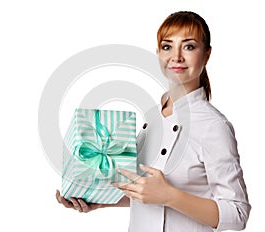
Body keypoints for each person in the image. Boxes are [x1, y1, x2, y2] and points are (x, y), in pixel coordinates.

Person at [56, 11, 251, 231]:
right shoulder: (153, 116)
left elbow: (238, 213)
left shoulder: (213, 126)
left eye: (188, 46)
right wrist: (99, 200)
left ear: (207, 55)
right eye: (167, 47)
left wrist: (170, 196)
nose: (176, 57)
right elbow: (146, 193)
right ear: (158, 53)